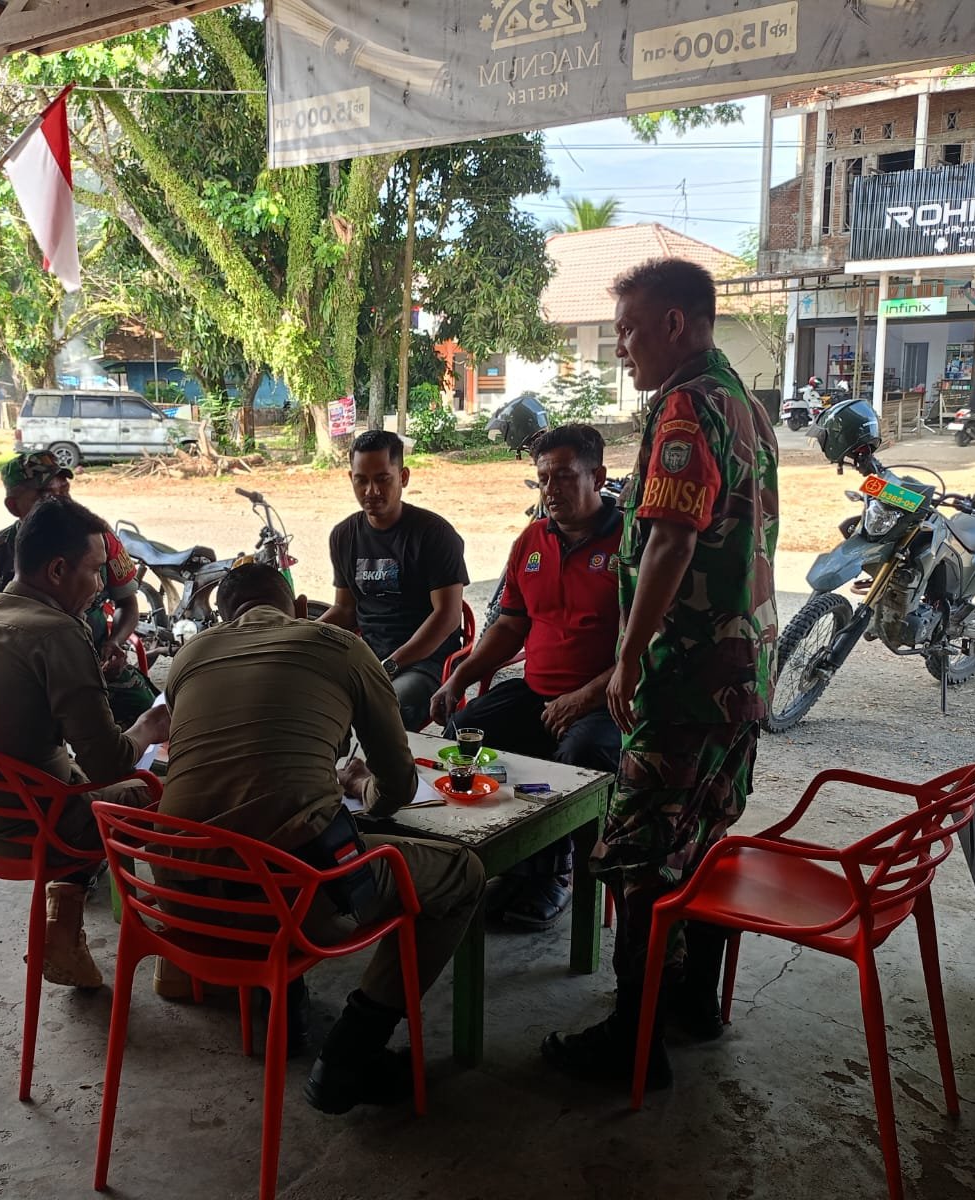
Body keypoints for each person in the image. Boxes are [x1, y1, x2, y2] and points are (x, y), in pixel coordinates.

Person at [541, 256, 778, 1092]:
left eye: (630, 331)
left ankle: (633, 1042)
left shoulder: (685, 408)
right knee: (701, 842)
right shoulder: (746, 404)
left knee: (642, 854)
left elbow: (672, 541)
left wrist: (630, 655)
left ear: (675, 324)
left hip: (685, 678)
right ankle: (692, 1004)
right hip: (743, 675)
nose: (622, 349)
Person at [160, 562, 485, 1114]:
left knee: (272, 831)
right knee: (462, 873)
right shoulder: (340, 646)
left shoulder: (189, 656)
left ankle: (285, 1009)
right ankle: (350, 1057)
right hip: (288, 904)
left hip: (180, 904)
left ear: (224, 618)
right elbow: (398, 786)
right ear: (301, 607)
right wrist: (361, 786)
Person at [0, 498, 170, 989]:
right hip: (30, 829)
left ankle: (63, 929)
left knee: (69, 774)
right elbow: (109, 764)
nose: (100, 586)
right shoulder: (59, 633)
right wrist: (150, 724)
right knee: (166, 793)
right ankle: (183, 949)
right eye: (95, 571)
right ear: (58, 570)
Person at [428, 423, 623, 932]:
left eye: (564, 476)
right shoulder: (531, 541)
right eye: (543, 479)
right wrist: (460, 678)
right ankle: (508, 857)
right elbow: (510, 625)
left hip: (606, 701)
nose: (551, 490)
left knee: (579, 755)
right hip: (538, 690)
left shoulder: (631, 544)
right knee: (465, 735)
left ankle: (558, 871)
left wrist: (582, 699)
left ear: (598, 476)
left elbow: (641, 648)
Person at [0, 451, 156, 727]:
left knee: (157, 719)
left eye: (64, 491)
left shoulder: (99, 540)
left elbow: (127, 603)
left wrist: (114, 643)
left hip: (96, 667)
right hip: (21, 679)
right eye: (45, 495)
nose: (60, 503)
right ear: (13, 506)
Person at [320, 430, 469, 731]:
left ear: (403, 477)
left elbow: (448, 616)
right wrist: (301, 635)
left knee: (380, 713)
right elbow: (345, 610)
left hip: (426, 663)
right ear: (350, 478)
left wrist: (391, 664)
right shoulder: (344, 535)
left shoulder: (434, 534)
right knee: (306, 702)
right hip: (368, 658)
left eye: (382, 479)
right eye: (361, 480)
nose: (371, 491)